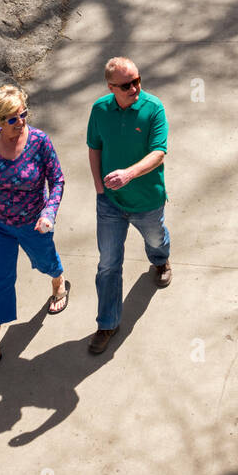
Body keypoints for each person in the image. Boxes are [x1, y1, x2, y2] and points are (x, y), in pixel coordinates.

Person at [0, 84, 68, 381]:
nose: (21, 121)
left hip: (33, 223)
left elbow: (58, 180)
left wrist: (48, 213)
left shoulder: (39, 141)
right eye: (12, 119)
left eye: (23, 114)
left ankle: (59, 281)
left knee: (45, 262)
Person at [86, 57, 171, 355]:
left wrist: (130, 173)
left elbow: (159, 152)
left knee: (155, 238)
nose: (135, 88)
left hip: (147, 200)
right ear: (111, 88)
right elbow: (94, 147)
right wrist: (99, 188)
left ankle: (161, 260)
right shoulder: (99, 109)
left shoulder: (153, 108)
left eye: (137, 80)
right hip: (109, 202)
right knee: (108, 264)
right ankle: (107, 323)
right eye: (126, 85)